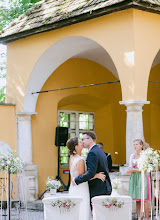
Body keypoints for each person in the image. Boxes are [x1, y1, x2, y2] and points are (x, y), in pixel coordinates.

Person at [66, 136, 106, 220]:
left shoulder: (72, 157)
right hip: (81, 189)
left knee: (76, 212)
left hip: (73, 187)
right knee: (82, 211)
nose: (82, 143)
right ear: (76, 147)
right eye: (80, 142)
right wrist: (96, 175)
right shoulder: (80, 160)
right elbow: (82, 177)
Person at [74, 131, 112, 205]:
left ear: (90, 139)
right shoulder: (99, 150)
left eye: (83, 139)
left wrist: (76, 180)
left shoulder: (93, 153)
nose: (82, 142)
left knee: (97, 214)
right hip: (103, 186)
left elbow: (90, 173)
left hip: (97, 188)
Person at [128, 139, 151, 220]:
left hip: (142, 177)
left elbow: (144, 169)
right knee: (137, 200)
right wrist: (130, 170)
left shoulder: (145, 155)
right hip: (134, 178)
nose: (135, 146)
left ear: (141, 145)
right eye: (134, 144)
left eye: (137, 144)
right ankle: (139, 218)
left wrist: (133, 170)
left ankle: (147, 218)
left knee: (143, 200)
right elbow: (130, 167)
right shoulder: (132, 156)